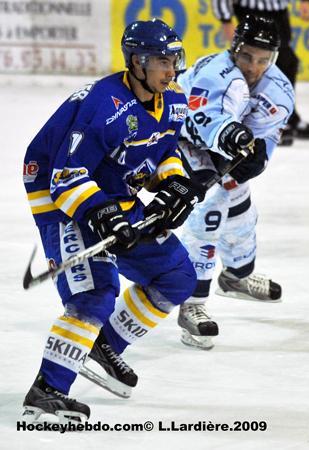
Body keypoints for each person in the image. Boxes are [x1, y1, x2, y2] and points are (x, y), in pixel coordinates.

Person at [21, 19, 207, 423]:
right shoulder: (104, 107)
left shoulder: (172, 100)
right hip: (60, 190)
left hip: (111, 186)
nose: (171, 69)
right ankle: (47, 391)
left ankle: (103, 343)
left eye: (173, 59)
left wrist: (175, 184)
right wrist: (105, 217)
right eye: (162, 60)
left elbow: (163, 151)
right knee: (94, 293)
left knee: (177, 277)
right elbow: (64, 177)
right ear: (137, 62)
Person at [175, 15, 295, 350]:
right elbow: (203, 121)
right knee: (208, 213)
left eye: (262, 60)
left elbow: (267, 135)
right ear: (235, 50)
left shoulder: (279, 89)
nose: (253, 67)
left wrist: (258, 157)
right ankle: (192, 303)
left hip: (224, 147)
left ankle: (235, 276)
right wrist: (234, 138)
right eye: (246, 57)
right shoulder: (217, 73)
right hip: (182, 138)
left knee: (241, 211)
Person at [212, 0, 309, 145]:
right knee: (251, 65)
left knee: (286, 62)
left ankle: (285, 117)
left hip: (279, 11)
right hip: (249, 11)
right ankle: (251, 118)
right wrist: (226, 19)